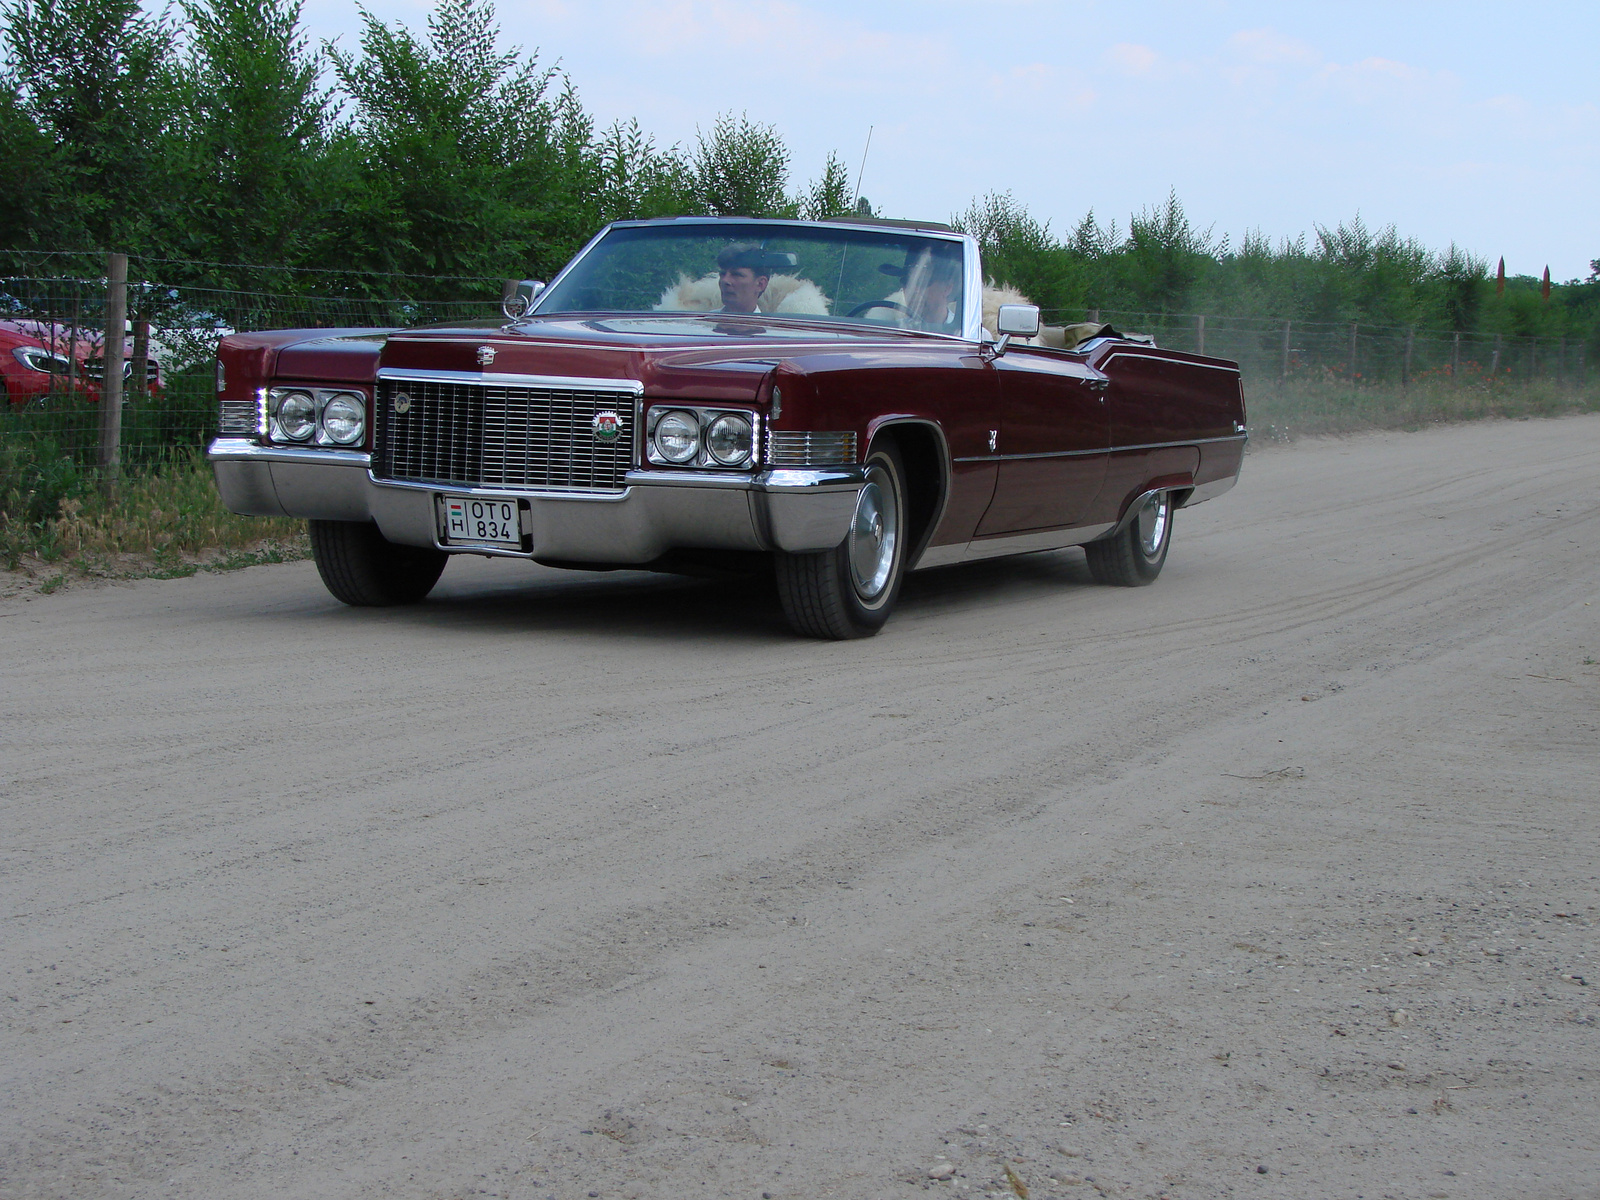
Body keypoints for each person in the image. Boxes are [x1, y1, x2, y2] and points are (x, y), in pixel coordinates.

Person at [900, 249, 963, 332]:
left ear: (947, 288)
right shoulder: (893, 331)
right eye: (906, 281)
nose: (914, 289)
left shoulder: (970, 335)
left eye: (923, 282)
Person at [716, 243, 770, 313]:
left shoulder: (767, 324)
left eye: (736, 275)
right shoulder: (702, 322)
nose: (725, 280)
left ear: (760, 284)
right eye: (722, 274)